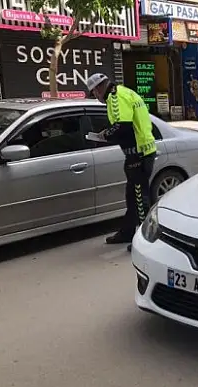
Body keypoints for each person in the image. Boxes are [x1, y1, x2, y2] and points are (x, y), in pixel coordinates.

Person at [85, 73, 157, 252]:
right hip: (140, 152)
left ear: (99, 88)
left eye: (94, 93)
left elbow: (122, 127)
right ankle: (127, 232)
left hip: (138, 155)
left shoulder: (116, 97)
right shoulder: (125, 93)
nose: (95, 97)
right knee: (132, 197)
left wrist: (104, 135)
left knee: (140, 200)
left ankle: (145, 242)